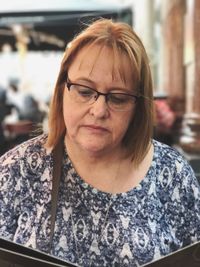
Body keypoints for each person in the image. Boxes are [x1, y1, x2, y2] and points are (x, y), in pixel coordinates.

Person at [0, 18, 200, 267]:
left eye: (117, 98)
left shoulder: (172, 174)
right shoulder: (15, 171)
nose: (99, 110)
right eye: (84, 91)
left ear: (138, 106)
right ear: (62, 90)